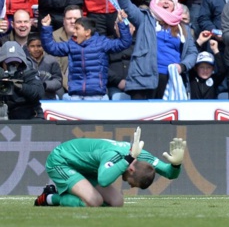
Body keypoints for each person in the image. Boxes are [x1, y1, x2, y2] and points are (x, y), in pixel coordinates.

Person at [33, 128, 186, 207]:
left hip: (86, 168)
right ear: (131, 170)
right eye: (132, 183)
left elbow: (168, 173)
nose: (131, 186)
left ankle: (79, 194)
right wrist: (128, 158)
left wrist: (176, 164)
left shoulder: (139, 155)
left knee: (117, 201)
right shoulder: (118, 155)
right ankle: (49, 198)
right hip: (62, 161)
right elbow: (104, 179)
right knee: (94, 201)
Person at [116, 0, 197, 100]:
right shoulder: (144, 19)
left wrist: (182, 66)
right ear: (156, 1)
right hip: (143, 80)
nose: (166, 2)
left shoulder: (183, 28)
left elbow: (192, 52)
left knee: (165, 118)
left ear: (175, 5)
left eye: (170, 0)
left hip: (170, 79)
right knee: (141, 118)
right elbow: (126, 6)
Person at [40, 14, 132, 100]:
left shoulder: (102, 43)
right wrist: (46, 27)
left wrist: (122, 23)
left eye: (77, 28)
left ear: (87, 32)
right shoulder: (71, 45)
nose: (73, 31)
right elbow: (51, 48)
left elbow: (124, 43)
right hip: (75, 94)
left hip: (96, 95)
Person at [0, 40, 44, 119]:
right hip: (5, 117)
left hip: (29, 117)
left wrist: (17, 86)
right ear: (2, 63)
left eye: (15, 63)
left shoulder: (28, 72)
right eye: (9, 63)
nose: (13, 66)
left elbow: (38, 93)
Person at [26, 33, 63, 99]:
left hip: (48, 98)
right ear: (28, 48)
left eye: (39, 46)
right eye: (32, 46)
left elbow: (58, 81)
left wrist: (45, 85)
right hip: (30, 100)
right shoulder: (25, 62)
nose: (36, 49)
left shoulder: (51, 60)